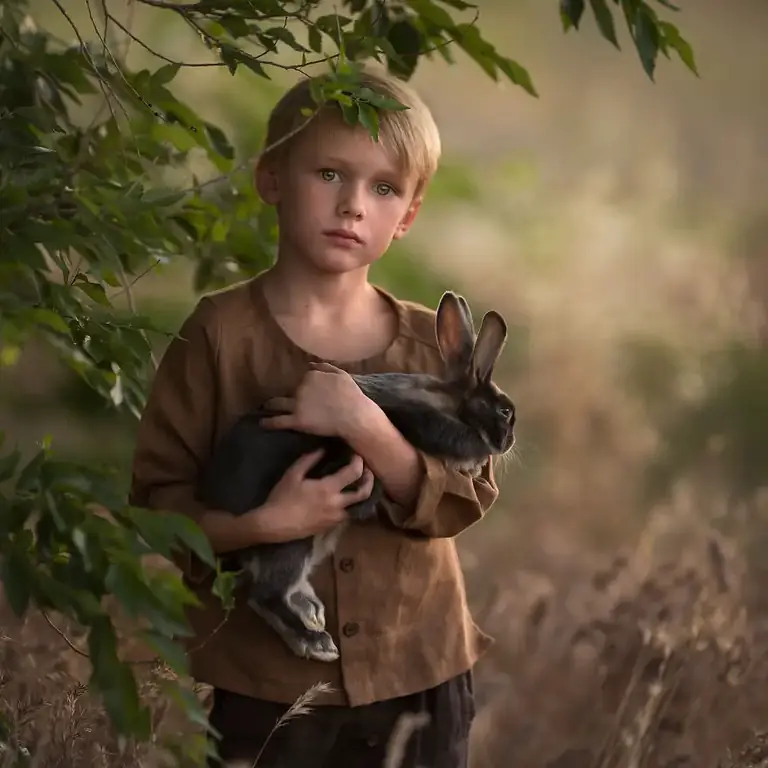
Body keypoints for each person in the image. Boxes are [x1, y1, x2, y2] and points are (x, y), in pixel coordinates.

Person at [129, 65, 500, 767]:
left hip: (417, 672)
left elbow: (466, 496)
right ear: (271, 178)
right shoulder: (217, 336)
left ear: (408, 215)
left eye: (383, 187)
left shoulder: (431, 347)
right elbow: (159, 504)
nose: (353, 205)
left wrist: (365, 426)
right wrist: (265, 525)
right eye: (329, 173)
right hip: (270, 683)